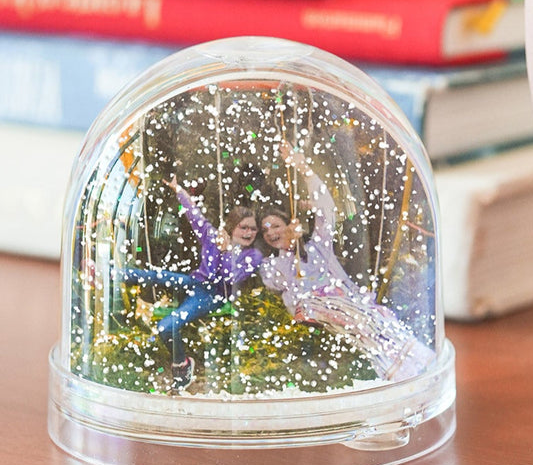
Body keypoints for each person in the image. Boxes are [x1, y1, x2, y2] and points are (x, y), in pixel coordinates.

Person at [258, 141, 435, 382]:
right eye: (266, 230)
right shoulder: (272, 265)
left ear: (290, 224)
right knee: (358, 319)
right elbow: (276, 282)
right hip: (314, 307)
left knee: (379, 316)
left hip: (344, 301)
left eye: (276, 226)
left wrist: (305, 170)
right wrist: (288, 251)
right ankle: (396, 370)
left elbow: (326, 210)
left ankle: (415, 361)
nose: (271, 233)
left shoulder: (317, 247)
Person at [121, 175, 262, 390]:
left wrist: (226, 253)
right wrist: (179, 189)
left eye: (252, 229)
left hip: (212, 294)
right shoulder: (211, 235)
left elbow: (229, 279)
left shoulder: (252, 255)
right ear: (231, 227)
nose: (248, 233)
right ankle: (114, 274)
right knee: (158, 275)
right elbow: (193, 214)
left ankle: (182, 364)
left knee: (166, 326)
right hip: (194, 282)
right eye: (243, 227)